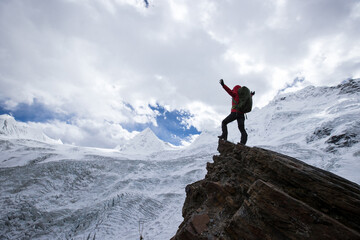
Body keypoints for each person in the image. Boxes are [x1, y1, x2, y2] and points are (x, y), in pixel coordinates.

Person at [218, 79, 254, 145]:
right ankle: (242, 143)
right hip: (241, 114)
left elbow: (229, 91)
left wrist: (223, 85)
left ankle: (224, 136)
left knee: (224, 122)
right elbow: (246, 99)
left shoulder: (235, 94)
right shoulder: (243, 96)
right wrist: (251, 95)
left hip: (235, 113)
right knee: (242, 129)